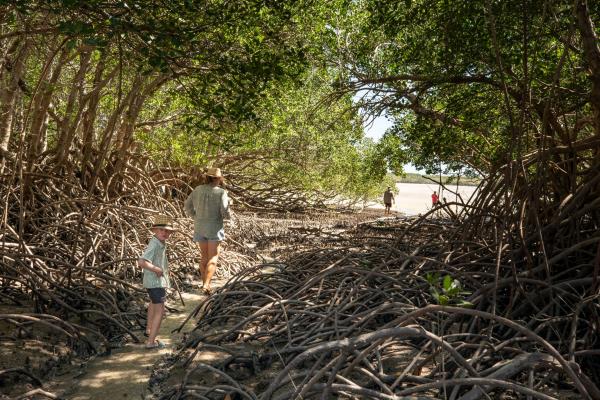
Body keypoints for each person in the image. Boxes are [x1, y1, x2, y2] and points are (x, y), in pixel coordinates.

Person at [184, 167, 230, 295]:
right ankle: (206, 284)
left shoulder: (198, 190)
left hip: (199, 227)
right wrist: (228, 216)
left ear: (207, 177)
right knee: (213, 258)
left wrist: (195, 216)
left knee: (204, 257)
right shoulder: (221, 192)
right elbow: (224, 210)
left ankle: (205, 285)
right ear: (219, 179)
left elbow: (187, 205)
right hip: (214, 228)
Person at [138, 214, 174, 349]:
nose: (164, 233)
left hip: (152, 282)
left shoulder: (159, 242)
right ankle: (151, 342)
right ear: (154, 231)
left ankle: (148, 330)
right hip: (156, 282)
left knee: (153, 304)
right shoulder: (154, 244)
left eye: (167, 231)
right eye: (161, 230)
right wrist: (157, 269)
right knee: (161, 310)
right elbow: (141, 262)